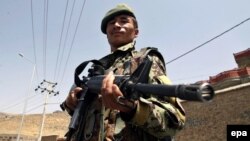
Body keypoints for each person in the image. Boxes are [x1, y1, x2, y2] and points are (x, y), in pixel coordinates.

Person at [61, 3, 186, 141]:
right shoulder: (96, 69)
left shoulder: (145, 61)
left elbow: (175, 120)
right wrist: (71, 104)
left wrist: (133, 109)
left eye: (124, 21)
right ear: (107, 34)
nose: (116, 25)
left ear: (136, 32)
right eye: (111, 23)